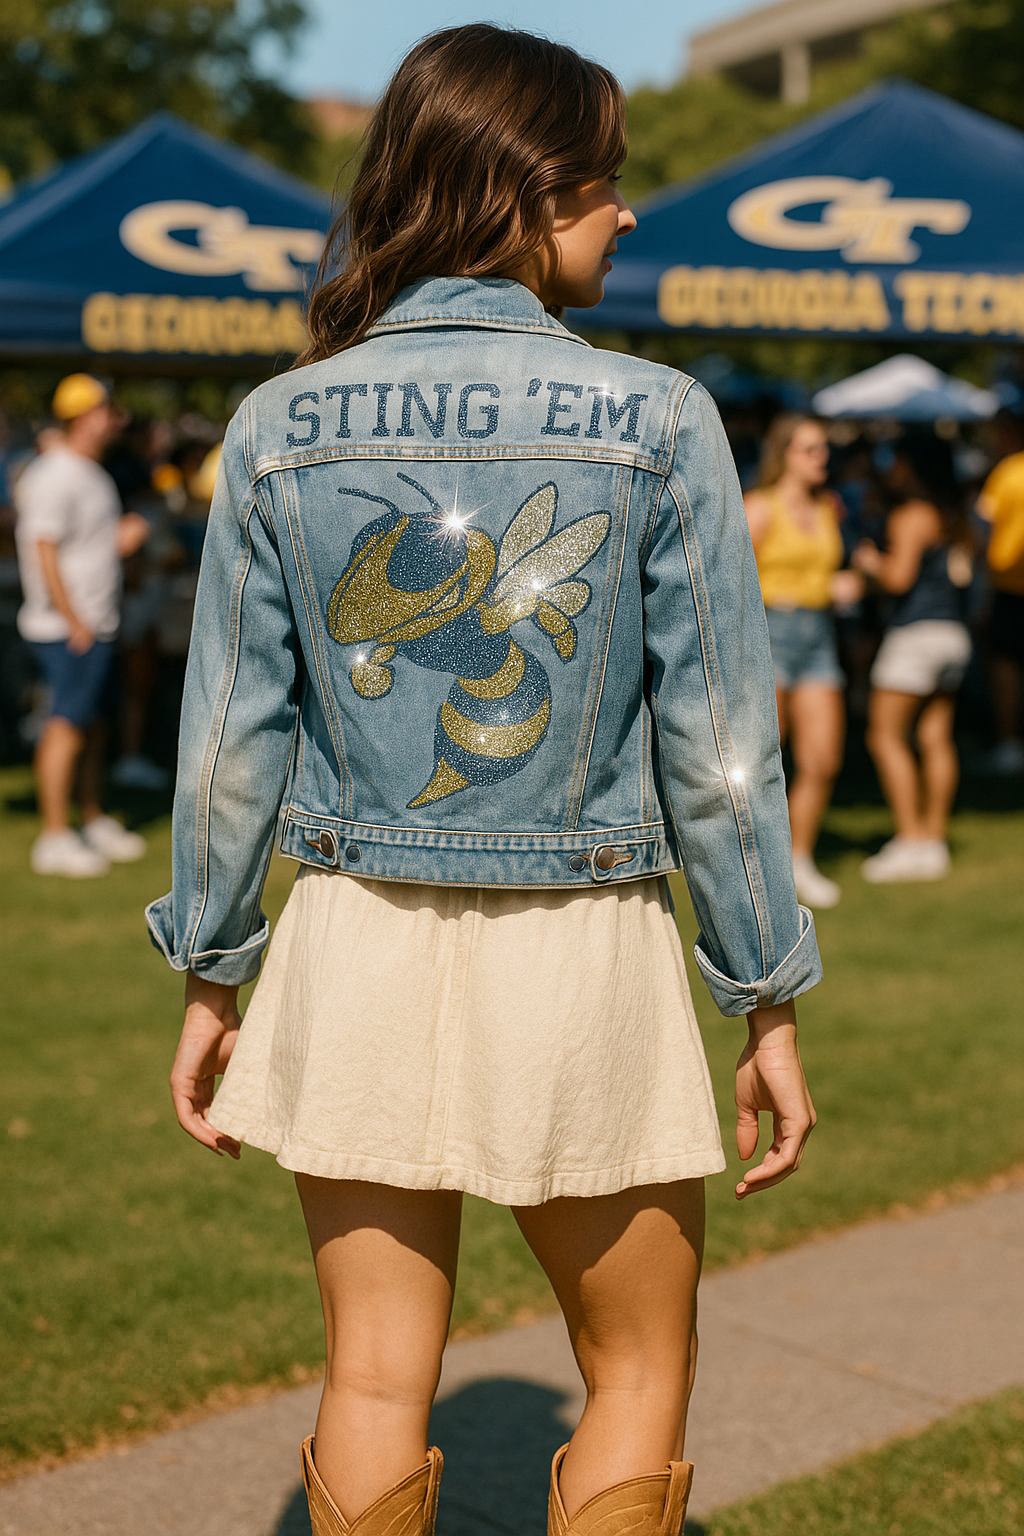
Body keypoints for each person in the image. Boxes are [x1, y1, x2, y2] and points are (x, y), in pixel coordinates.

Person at [148, 28, 819, 1536]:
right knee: (639, 1368)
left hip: (356, 934)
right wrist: (766, 993)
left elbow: (223, 744)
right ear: (524, 191)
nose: (626, 211)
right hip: (584, 941)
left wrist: (208, 965)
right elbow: (719, 752)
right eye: (606, 180)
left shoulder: (276, 424)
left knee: (375, 1381)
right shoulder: (661, 420)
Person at [14, 374, 149, 876]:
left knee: (91, 725)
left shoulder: (89, 471)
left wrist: (122, 540)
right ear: (84, 416)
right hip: (68, 628)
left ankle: (90, 818)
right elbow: (42, 549)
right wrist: (74, 621)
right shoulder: (55, 473)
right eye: (105, 410)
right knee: (66, 727)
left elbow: (79, 546)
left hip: (95, 623)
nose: (114, 419)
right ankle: (54, 836)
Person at [744, 415, 855, 910]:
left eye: (823, 449)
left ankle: (798, 859)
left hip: (817, 634)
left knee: (823, 758)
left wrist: (842, 586)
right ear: (784, 453)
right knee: (768, 757)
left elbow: (825, 571)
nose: (821, 458)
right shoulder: (760, 508)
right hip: (769, 630)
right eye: (810, 449)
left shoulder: (829, 507)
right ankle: (753, 864)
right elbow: (731, 581)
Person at [853, 435, 974, 882]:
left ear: (913, 465)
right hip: (952, 635)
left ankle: (909, 839)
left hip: (916, 635)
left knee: (884, 736)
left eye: (897, 460)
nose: (891, 469)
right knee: (935, 736)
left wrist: (869, 562)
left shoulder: (911, 514)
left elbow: (899, 578)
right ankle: (933, 841)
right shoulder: (951, 513)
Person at [976, 411, 1024, 775]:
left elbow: (982, 523)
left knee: (1006, 666)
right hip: (1009, 582)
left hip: (1009, 585)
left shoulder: (1008, 473)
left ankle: (1009, 743)